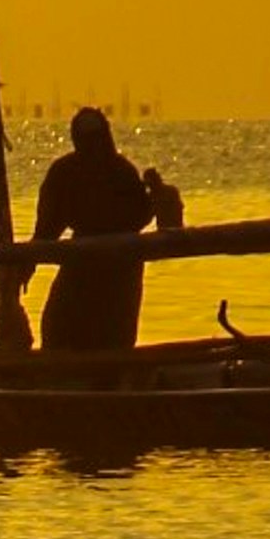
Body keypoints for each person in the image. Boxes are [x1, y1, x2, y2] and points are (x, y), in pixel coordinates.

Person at [29, 106, 184, 359]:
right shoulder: (67, 173)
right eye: (87, 139)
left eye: (97, 137)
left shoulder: (121, 172)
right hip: (84, 270)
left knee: (112, 342)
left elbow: (141, 217)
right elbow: (47, 228)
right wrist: (27, 263)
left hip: (118, 273)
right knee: (62, 335)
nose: (94, 146)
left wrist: (158, 194)